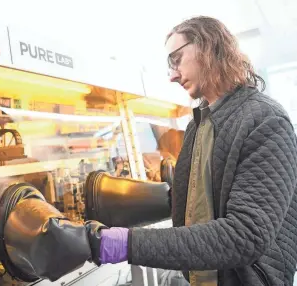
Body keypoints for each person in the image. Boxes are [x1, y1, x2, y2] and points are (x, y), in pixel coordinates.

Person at [97, 16, 297, 286]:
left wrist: (125, 244)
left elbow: (245, 235)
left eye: (176, 59)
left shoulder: (265, 120)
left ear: (207, 47)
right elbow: (202, 200)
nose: (172, 74)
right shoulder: (198, 124)